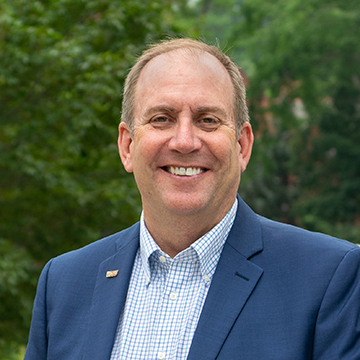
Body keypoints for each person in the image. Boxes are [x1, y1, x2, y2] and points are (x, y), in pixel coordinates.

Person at [24, 38, 360, 360]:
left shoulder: (329, 278)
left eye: (208, 120)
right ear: (127, 146)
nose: (184, 141)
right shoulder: (65, 284)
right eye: (162, 119)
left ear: (242, 146)